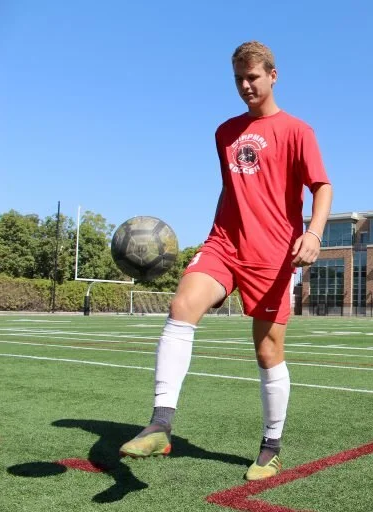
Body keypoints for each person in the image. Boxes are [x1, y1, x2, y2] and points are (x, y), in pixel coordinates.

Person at [119, 40, 333, 481]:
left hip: (273, 256)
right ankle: (160, 423)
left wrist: (313, 233)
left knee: (267, 349)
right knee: (181, 306)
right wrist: (217, 233)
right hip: (224, 244)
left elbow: (322, 187)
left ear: (273, 75)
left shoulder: (298, 131)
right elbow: (232, 188)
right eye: (238, 79)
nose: (245, 86)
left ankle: (271, 447)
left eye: (253, 77)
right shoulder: (224, 132)